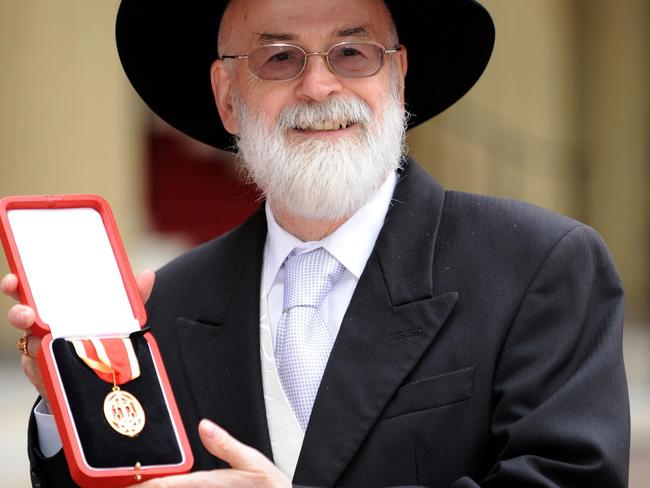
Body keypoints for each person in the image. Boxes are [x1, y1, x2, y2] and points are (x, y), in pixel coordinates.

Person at [3, 0, 630, 486]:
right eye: (280, 59)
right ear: (226, 97)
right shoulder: (165, 305)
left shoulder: (538, 268)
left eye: (352, 53)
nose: (319, 87)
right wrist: (69, 398)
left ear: (399, 78)